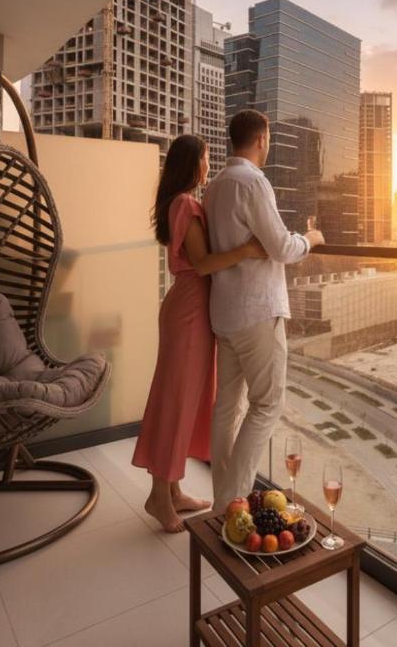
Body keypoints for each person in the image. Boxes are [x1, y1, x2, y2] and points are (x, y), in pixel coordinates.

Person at [132, 134, 268, 532]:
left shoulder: (181, 203)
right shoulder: (186, 204)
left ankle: (173, 490)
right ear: (193, 163)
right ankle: (159, 496)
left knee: (185, 399)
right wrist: (248, 250)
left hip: (190, 310)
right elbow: (204, 263)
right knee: (176, 401)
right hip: (189, 313)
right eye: (206, 158)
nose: (210, 165)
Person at [203, 109, 324, 507]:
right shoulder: (253, 182)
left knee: (227, 409)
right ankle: (231, 505)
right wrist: (310, 238)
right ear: (261, 139)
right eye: (268, 139)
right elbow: (282, 247)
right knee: (267, 405)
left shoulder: (215, 185)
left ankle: (222, 502)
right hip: (256, 311)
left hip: (224, 313)